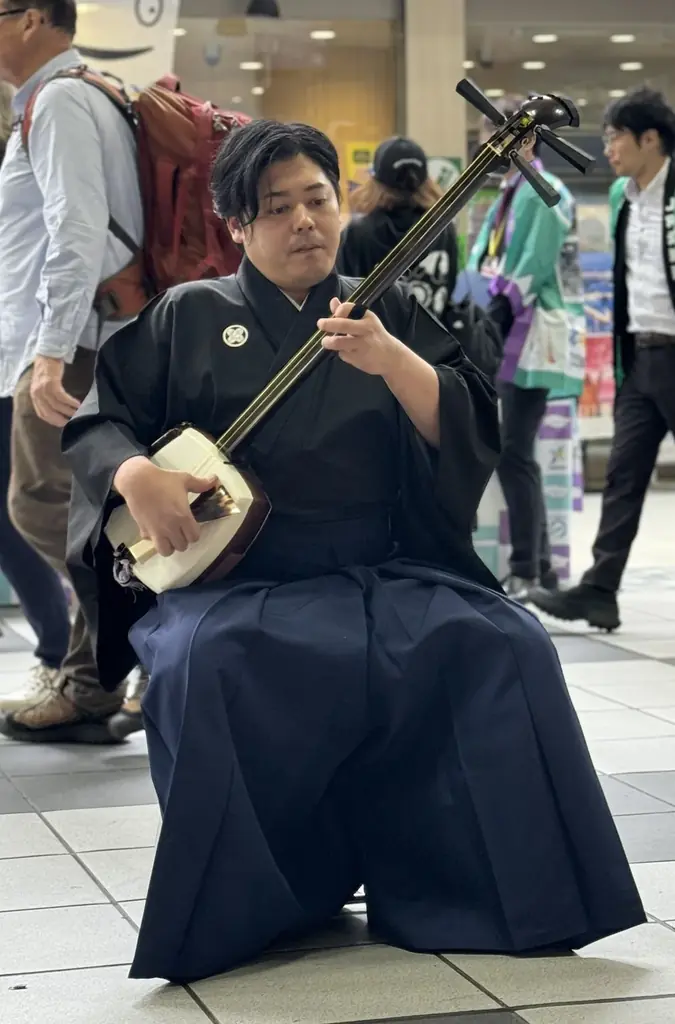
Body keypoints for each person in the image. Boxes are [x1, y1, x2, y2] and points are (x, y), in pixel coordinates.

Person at [60, 119, 643, 983]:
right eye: (275, 207)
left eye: (317, 199)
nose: (303, 222)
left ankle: (472, 890)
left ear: (341, 205)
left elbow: (467, 428)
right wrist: (136, 473)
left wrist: (392, 362)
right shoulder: (188, 314)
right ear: (235, 225)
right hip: (240, 582)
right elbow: (99, 420)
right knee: (206, 661)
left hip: (381, 565)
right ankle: (261, 907)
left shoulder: (389, 307)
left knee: (506, 643)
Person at [0, 0, 144, 741]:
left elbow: (77, 228)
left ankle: (125, 652)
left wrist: (50, 351)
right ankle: (97, 678)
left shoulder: (58, 101)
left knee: (46, 509)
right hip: (87, 337)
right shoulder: (81, 95)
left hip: (74, 344)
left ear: (32, 19)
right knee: (78, 515)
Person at [531, 87, 675, 631]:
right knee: (622, 475)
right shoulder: (622, 196)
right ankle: (599, 591)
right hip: (641, 356)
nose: (608, 147)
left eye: (617, 137)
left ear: (651, 138)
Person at [468, 96, 585, 603]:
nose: (486, 144)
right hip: (506, 331)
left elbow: (531, 271)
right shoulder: (509, 192)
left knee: (516, 452)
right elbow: (483, 260)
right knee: (516, 453)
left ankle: (529, 569)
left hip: (528, 334)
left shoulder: (542, 191)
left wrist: (486, 308)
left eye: (497, 133)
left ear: (527, 137)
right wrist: (472, 302)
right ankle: (538, 567)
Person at [0, 79, 71, 708]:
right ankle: (70, 650)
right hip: (20, 349)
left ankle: (72, 651)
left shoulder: (47, 117)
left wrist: (49, 349)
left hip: (28, 352)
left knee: (30, 507)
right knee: (18, 510)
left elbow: (69, 233)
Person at [338, 135, 503, 381]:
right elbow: (448, 286)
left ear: (376, 179)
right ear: (425, 179)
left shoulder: (358, 233)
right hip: (433, 358)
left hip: (373, 361)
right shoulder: (441, 228)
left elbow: (344, 296)